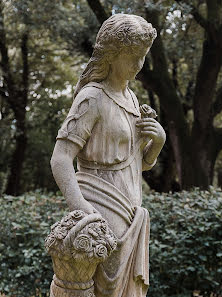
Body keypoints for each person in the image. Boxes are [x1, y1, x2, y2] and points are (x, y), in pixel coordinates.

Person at [50, 14, 165, 297]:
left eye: (143, 57)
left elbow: (139, 165)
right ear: (112, 55)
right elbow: (61, 157)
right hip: (99, 211)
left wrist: (158, 141)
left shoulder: (132, 100)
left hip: (132, 214)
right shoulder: (92, 97)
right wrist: (82, 209)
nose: (139, 65)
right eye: (132, 57)